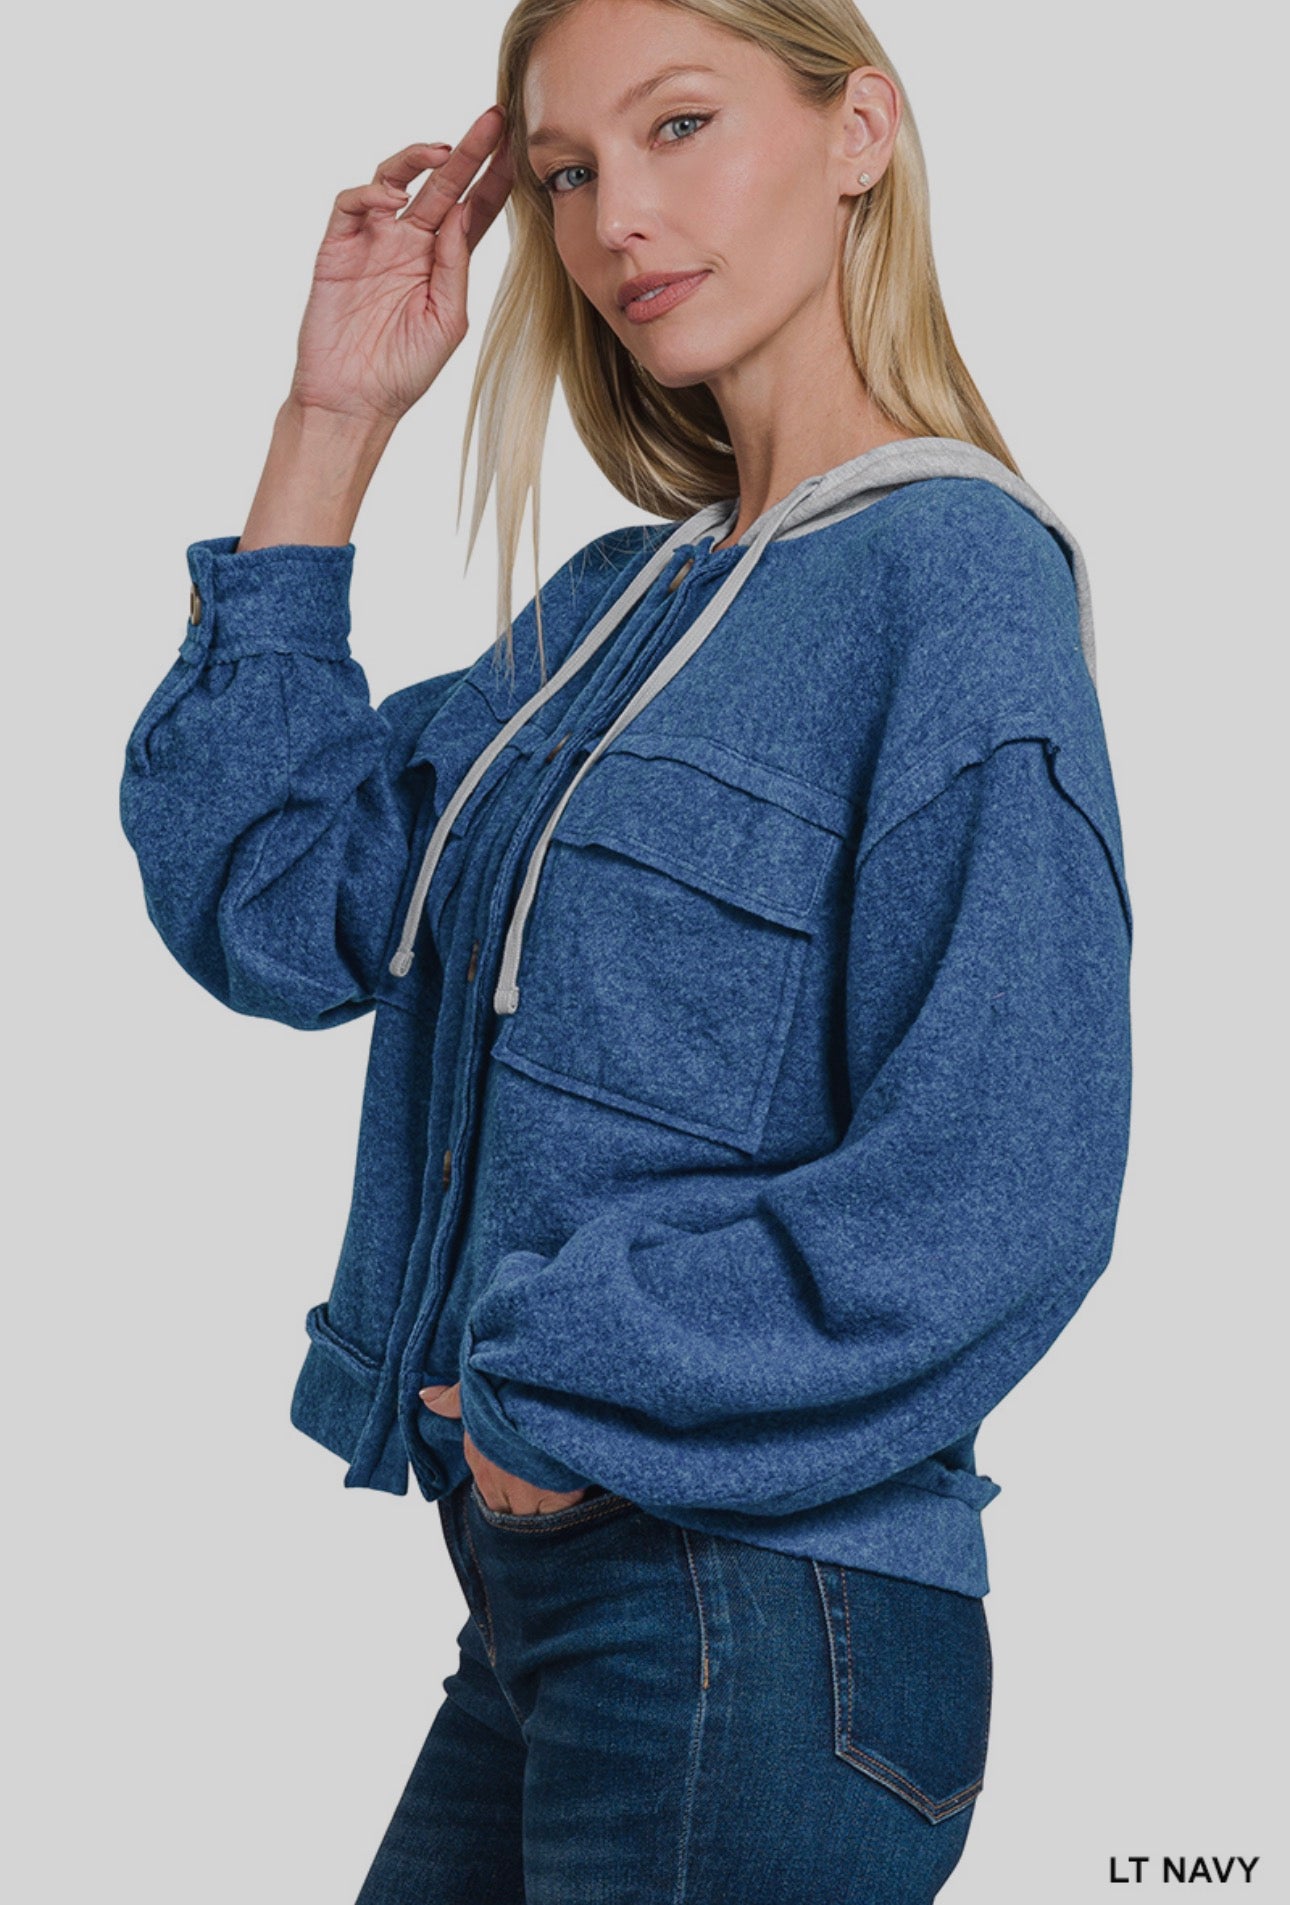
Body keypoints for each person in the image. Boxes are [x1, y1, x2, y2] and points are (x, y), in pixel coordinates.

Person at [119, 1, 1133, 1898]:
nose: (616, 223)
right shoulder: (616, 606)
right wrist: (331, 424)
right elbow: (273, 898)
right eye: (569, 171)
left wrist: (566, 1380)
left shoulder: (955, 582)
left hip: (764, 1614)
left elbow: (1005, 1176)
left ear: (857, 134)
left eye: (680, 127)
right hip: (544, 1610)